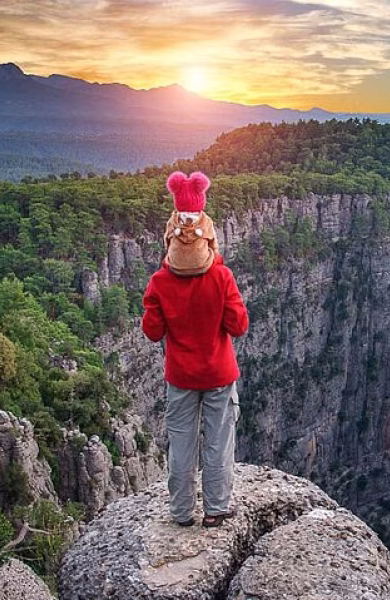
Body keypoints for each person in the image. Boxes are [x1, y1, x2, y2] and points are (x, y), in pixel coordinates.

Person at [141, 170, 249, 528]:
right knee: (218, 443)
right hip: (218, 374)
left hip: (181, 377)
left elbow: (152, 332)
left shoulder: (159, 282)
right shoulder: (222, 278)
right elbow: (239, 325)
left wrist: (161, 303)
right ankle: (216, 510)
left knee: (182, 445)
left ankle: (181, 513)